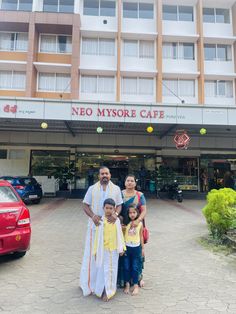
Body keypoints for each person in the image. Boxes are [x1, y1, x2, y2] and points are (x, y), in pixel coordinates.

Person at [80, 166, 123, 297]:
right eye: (102, 174)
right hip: (96, 227)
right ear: (98, 176)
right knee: (93, 256)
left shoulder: (116, 189)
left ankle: (107, 286)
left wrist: (115, 214)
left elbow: (120, 205)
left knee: (109, 257)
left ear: (110, 175)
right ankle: (90, 285)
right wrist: (93, 216)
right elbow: (85, 205)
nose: (104, 175)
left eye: (107, 173)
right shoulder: (92, 188)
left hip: (110, 228)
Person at [93, 198, 126, 301]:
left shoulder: (116, 221)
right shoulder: (100, 221)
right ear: (103, 208)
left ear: (114, 209)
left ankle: (109, 292)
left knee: (111, 271)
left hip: (113, 251)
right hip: (103, 250)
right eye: (106, 208)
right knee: (102, 271)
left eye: (110, 208)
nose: (108, 210)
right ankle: (101, 289)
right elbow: (97, 237)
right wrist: (95, 251)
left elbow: (120, 235)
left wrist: (122, 248)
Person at [118, 174, 147, 288]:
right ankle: (123, 280)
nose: (130, 182)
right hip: (122, 227)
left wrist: (138, 220)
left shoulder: (140, 195)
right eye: (127, 180)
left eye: (132, 181)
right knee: (123, 253)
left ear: (135, 183)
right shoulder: (120, 194)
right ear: (125, 183)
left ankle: (138, 278)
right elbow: (117, 209)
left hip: (136, 226)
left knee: (137, 254)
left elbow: (144, 210)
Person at [123, 204, 144, 296]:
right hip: (127, 248)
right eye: (130, 213)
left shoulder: (140, 224)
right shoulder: (125, 224)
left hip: (136, 248)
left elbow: (141, 236)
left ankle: (135, 286)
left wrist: (143, 248)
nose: (132, 214)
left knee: (135, 267)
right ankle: (127, 284)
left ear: (137, 213)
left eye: (134, 212)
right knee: (126, 267)